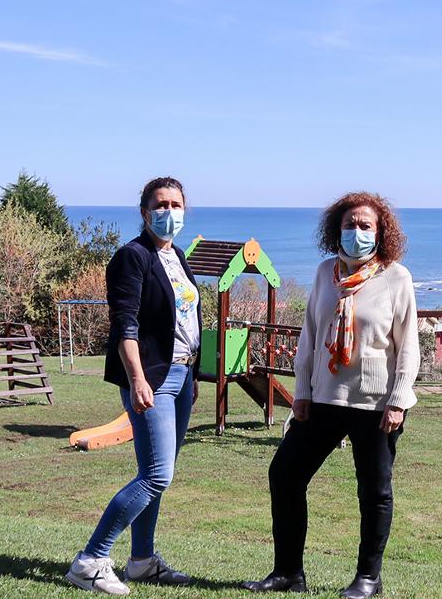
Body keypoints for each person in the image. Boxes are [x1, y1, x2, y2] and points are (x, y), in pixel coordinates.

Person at [244, 192, 419, 599]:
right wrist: (301, 392)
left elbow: (407, 345)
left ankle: (368, 579)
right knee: (285, 475)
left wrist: (397, 400)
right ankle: (288, 572)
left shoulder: (396, 277)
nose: (355, 232)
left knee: (373, 490)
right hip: (323, 399)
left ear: (380, 233)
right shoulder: (326, 273)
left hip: (375, 404)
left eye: (365, 226)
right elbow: (310, 335)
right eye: (349, 224)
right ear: (335, 229)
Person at [65, 176, 201, 595]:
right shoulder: (132, 256)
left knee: (156, 472)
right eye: (160, 205)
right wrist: (137, 378)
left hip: (183, 376)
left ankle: (141, 561)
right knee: (157, 475)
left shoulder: (176, 255)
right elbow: (125, 324)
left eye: (176, 205)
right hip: (153, 378)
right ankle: (90, 560)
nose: (169, 212)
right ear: (144, 212)